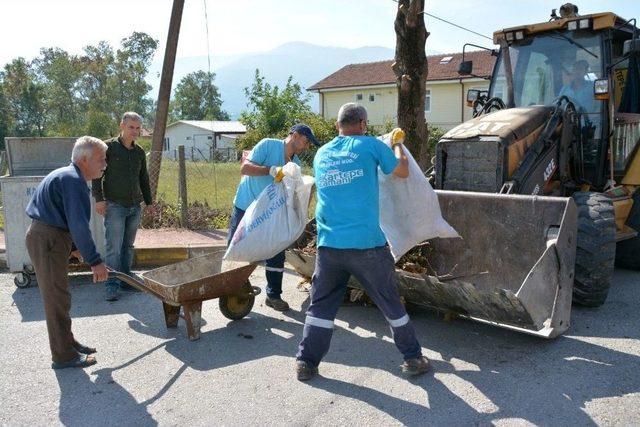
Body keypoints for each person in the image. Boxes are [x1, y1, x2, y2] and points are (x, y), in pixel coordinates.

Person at [295, 103, 430, 381]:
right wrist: (397, 144)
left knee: (320, 306)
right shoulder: (370, 146)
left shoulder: (321, 153)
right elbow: (402, 171)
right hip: (366, 244)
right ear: (363, 124)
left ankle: (306, 363)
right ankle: (413, 358)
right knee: (389, 301)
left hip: (329, 245)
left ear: (337, 126)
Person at [25, 136, 110, 369]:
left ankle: (68, 343)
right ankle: (63, 356)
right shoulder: (74, 181)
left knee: (60, 296)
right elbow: (78, 225)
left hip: (50, 236)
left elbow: (62, 215)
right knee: (56, 299)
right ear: (84, 160)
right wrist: (95, 261)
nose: (104, 164)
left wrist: (72, 248)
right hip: (49, 239)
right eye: (101, 159)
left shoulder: (69, 175)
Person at [228, 124, 320, 311]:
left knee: (276, 250)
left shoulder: (296, 165)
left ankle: (273, 295)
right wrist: (270, 170)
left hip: (270, 214)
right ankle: (234, 291)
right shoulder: (268, 145)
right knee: (235, 250)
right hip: (246, 206)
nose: (307, 146)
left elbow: (293, 192)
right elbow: (245, 168)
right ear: (294, 135)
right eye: (306, 141)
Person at [92, 112, 152, 301]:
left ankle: (126, 280)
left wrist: (149, 202)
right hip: (115, 206)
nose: (134, 131)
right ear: (122, 126)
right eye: (130, 127)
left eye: (137, 128)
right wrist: (99, 199)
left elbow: (143, 178)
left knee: (128, 246)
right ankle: (112, 284)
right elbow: (97, 174)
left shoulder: (139, 152)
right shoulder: (108, 148)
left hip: (135, 206)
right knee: (114, 247)